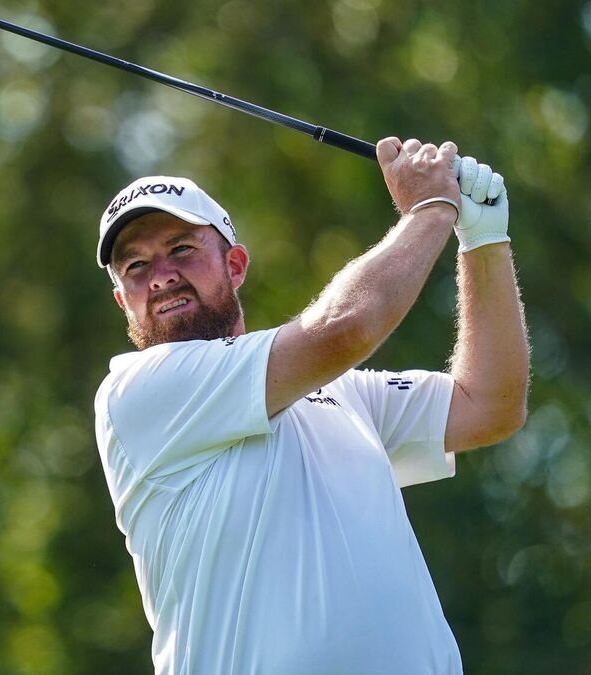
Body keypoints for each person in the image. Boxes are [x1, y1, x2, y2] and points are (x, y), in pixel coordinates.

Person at [91, 137, 530, 674]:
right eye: (136, 265)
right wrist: (433, 208)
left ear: (235, 264)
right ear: (123, 300)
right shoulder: (138, 393)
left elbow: (489, 404)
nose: (160, 275)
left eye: (181, 249)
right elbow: (345, 329)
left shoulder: (344, 393)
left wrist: (483, 241)